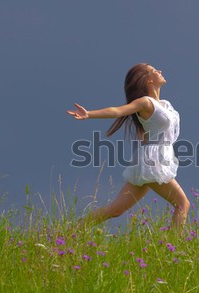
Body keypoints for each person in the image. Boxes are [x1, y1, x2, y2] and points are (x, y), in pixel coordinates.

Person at [66, 63, 190, 231]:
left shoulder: (165, 104)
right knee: (182, 203)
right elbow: (118, 111)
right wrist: (88, 114)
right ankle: (174, 250)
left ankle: (72, 231)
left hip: (154, 157)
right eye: (154, 71)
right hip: (153, 161)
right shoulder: (145, 103)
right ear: (147, 80)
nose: (160, 71)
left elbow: (161, 131)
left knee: (116, 210)